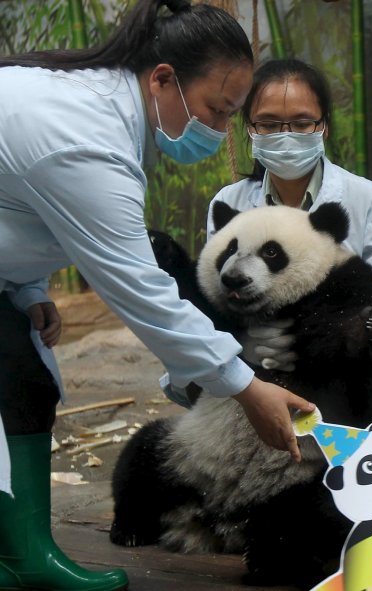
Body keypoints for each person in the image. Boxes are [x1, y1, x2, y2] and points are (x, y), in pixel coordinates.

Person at [0, 2, 314, 589]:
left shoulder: (97, 110)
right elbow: (141, 290)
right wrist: (244, 385)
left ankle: (23, 554)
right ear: (163, 79)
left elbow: (15, 209)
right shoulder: (81, 135)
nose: (220, 130)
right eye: (217, 111)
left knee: (25, 376)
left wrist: (25, 285)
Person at [207, 58, 372, 282]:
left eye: (302, 124)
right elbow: (218, 286)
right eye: (269, 125)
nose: (286, 136)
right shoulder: (230, 203)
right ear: (250, 129)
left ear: (324, 126)